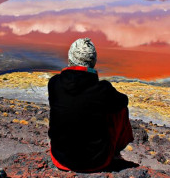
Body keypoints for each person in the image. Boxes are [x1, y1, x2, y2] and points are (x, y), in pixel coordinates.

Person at [48, 38, 134, 172]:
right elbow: (124, 101)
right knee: (120, 109)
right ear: (93, 62)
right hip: (98, 161)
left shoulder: (54, 83)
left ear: (70, 58)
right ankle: (115, 153)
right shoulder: (103, 90)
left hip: (60, 158)